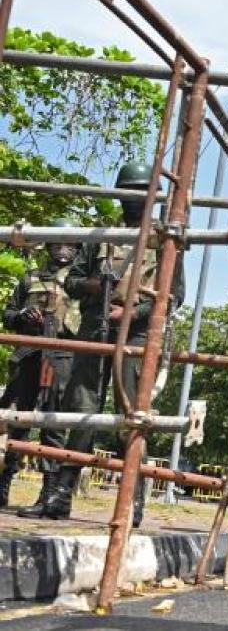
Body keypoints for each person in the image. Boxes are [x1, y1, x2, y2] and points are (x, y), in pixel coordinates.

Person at [40, 163, 184, 524]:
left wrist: (133, 312)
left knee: (131, 416)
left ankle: (132, 501)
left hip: (136, 335)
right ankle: (61, 495)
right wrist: (97, 287)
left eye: (141, 190)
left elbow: (173, 296)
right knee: (82, 411)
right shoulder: (101, 236)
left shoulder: (163, 239)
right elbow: (71, 281)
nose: (134, 198)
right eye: (129, 190)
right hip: (94, 327)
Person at [0, 219, 80, 512]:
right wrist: (22, 315)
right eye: (57, 243)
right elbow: (7, 314)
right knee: (15, 420)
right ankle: (3, 482)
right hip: (28, 351)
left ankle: (50, 493)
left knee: (53, 423)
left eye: (69, 245)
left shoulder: (81, 281)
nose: (62, 249)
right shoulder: (31, 277)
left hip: (62, 354)